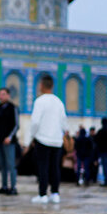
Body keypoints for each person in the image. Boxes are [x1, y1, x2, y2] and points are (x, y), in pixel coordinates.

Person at [29, 74, 67, 204]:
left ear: (41, 85)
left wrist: (31, 137)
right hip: (57, 140)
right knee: (55, 167)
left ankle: (43, 194)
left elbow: (35, 122)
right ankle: (55, 194)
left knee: (43, 167)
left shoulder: (40, 101)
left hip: (42, 139)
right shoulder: (59, 102)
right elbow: (64, 123)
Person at [0, 87, 19, 195]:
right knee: (2, 165)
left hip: (9, 142)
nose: (1, 96)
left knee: (10, 164)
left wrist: (9, 137)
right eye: (0, 94)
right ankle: (4, 186)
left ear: (8, 95)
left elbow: (16, 125)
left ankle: (13, 187)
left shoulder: (13, 108)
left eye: (3, 94)